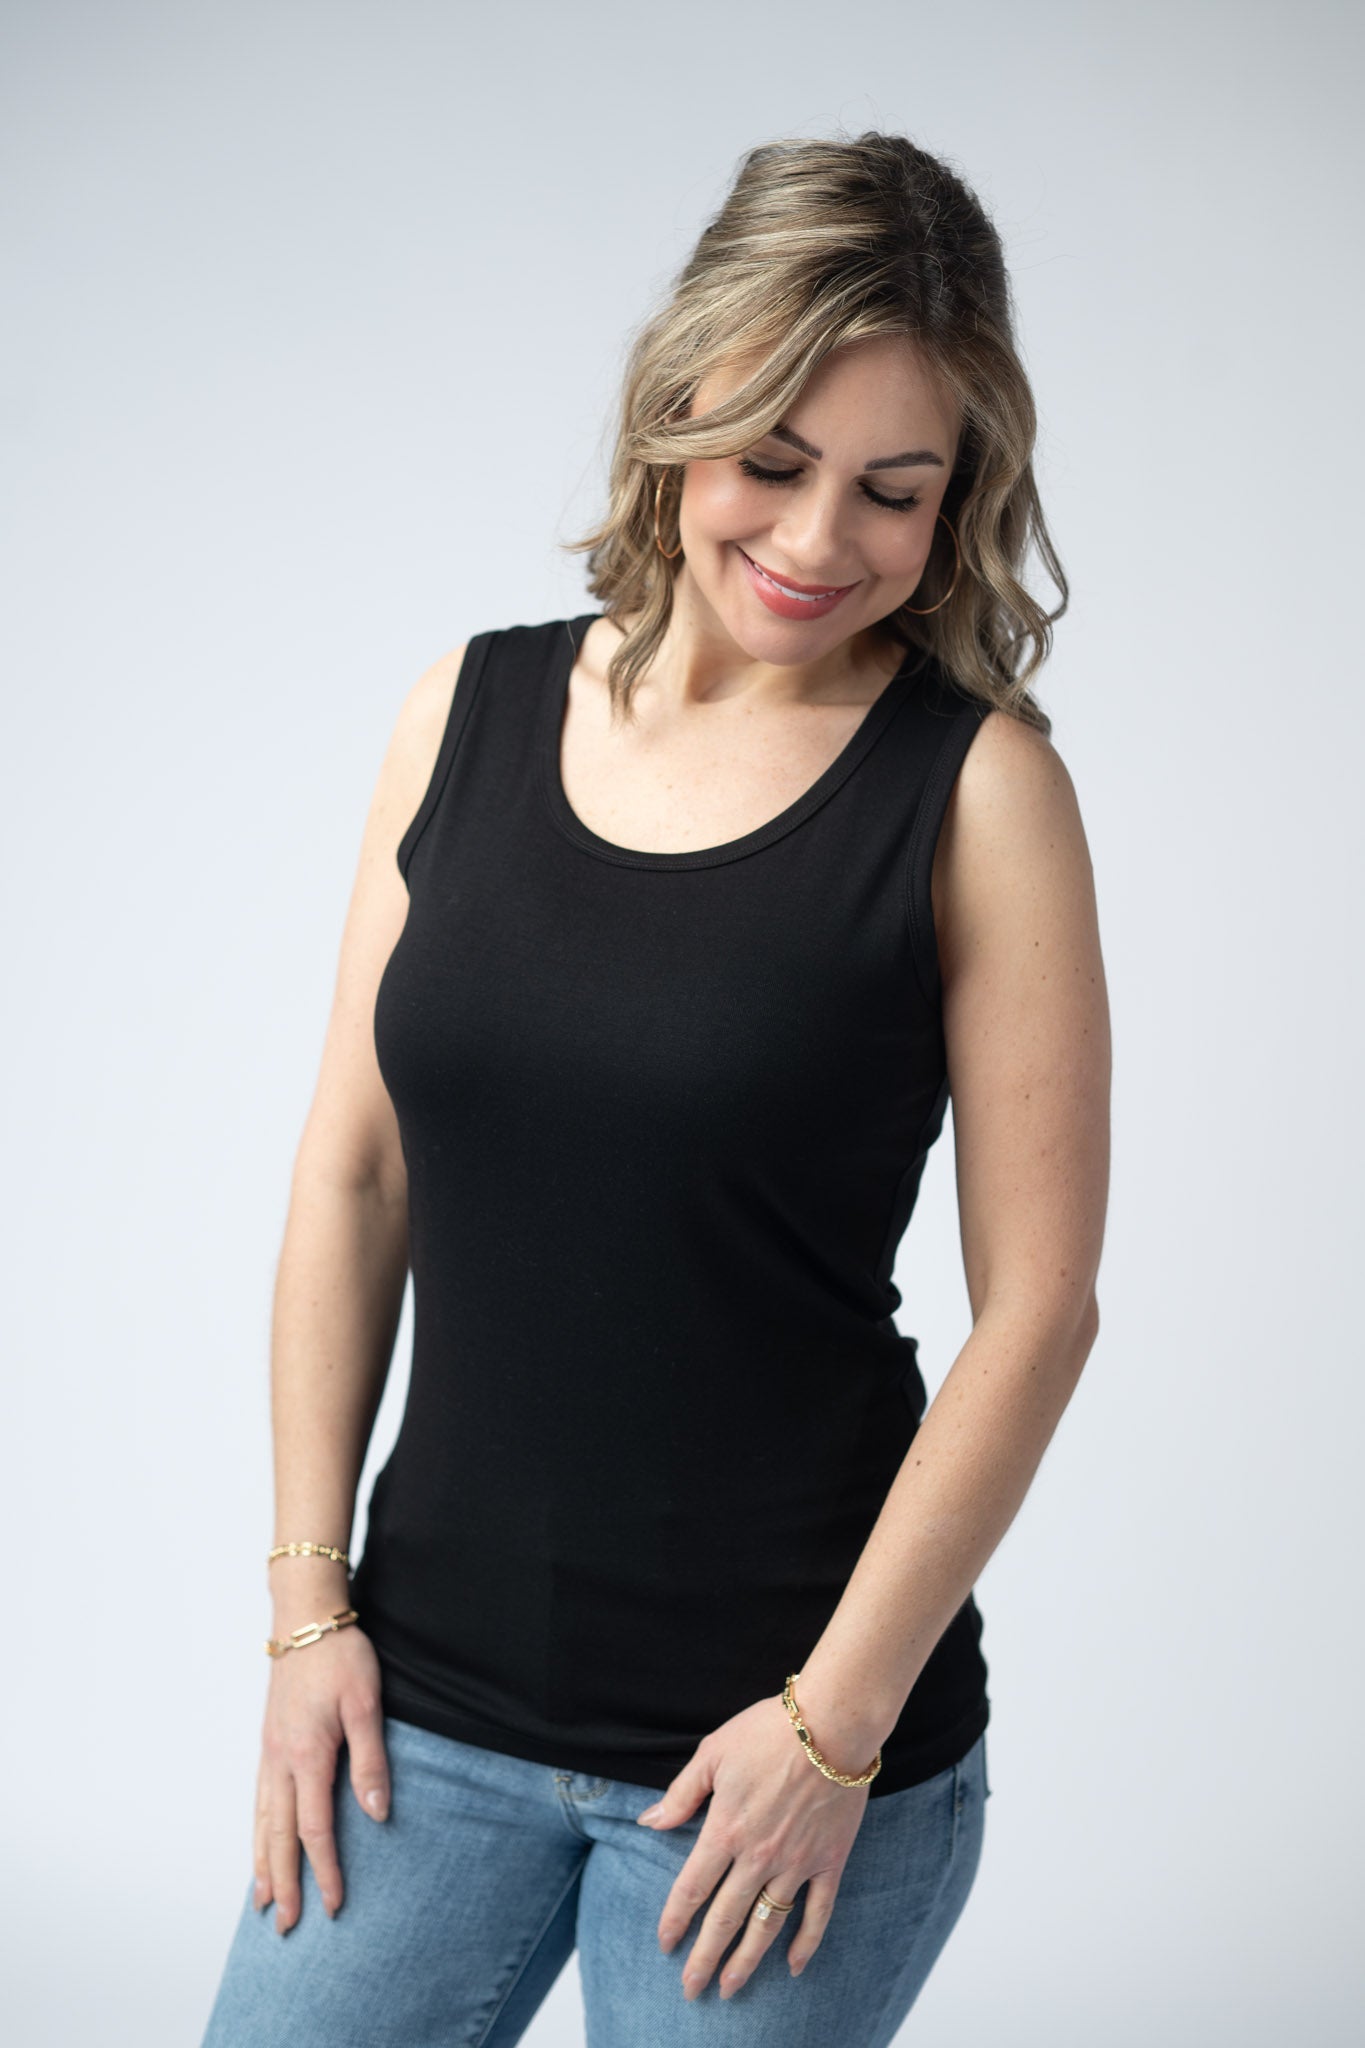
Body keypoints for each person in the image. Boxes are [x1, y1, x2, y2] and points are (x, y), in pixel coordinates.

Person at [201, 130, 1110, 2046]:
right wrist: (305, 1611)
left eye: (892, 490)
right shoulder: (462, 712)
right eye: (770, 460)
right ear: (676, 412)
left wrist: (833, 1729)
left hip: (776, 1748)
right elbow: (355, 1174)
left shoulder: (978, 794)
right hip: (416, 1712)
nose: (816, 540)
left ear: (955, 499)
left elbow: (1036, 1310)